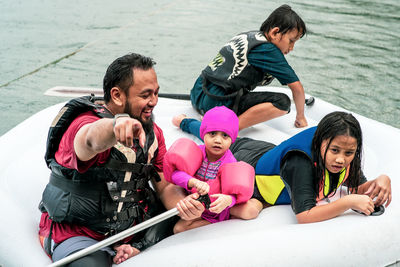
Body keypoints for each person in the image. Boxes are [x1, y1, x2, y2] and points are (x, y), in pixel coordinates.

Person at [38, 53, 205, 266]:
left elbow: (164, 188)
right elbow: (89, 140)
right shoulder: (81, 125)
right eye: (145, 95)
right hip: (78, 235)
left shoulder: (153, 134)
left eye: (156, 93)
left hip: (132, 231)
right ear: (117, 95)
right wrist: (114, 126)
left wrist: (183, 206)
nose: (153, 102)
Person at [172, 111, 392, 223]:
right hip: (250, 166)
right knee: (216, 139)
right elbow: (305, 215)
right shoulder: (301, 162)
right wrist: (348, 202)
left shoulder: (343, 152)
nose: (341, 160)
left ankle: (190, 123)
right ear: (321, 142)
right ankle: (184, 121)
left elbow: (360, 186)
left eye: (349, 153)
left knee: (222, 137)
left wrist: (382, 180)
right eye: (334, 151)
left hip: (267, 150)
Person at [190, 4, 308, 131]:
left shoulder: (250, 36)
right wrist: (300, 117)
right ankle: (228, 129)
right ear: (275, 32)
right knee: (282, 102)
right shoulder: (268, 50)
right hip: (216, 104)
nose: (292, 48)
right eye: (291, 41)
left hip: (198, 94)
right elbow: (297, 88)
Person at [166, 106, 243, 233]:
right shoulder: (197, 152)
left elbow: (234, 193)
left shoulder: (230, 163)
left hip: (215, 211)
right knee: (176, 226)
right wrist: (193, 182)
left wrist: (229, 200)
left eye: (225, 136)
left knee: (179, 229)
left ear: (232, 139)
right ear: (203, 134)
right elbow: (175, 175)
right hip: (194, 202)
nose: (218, 140)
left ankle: (223, 221)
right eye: (212, 134)